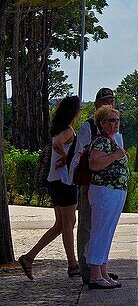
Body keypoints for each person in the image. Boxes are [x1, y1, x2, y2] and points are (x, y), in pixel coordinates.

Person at [18, 94, 82, 281]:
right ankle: (72, 265)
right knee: (68, 223)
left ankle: (29, 257)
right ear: (75, 112)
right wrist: (66, 157)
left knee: (61, 224)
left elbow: (55, 142)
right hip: (64, 181)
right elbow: (57, 144)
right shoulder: (68, 130)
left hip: (54, 180)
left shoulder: (59, 128)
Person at [71, 87, 121, 286]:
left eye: (112, 101)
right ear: (97, 105)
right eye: (105, 101)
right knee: (89, 227)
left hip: (111, 187)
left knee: (103, 229)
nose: (109, 104)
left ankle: (100, 267)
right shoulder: (89, 127)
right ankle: (88, 270)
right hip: (94, 184)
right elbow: (79, 155)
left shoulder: (114, 129)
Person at [86, 104, 130, 288]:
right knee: (100, 231)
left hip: (114, 191)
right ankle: (95, 275)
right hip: (105, 191)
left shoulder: (111, 141)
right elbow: (94, 164)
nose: (116, 123)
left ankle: (103, 270)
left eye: (118, 120)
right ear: (102, 123)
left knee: (107, 232)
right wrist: (116, 156)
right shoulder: (100, 142)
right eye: (112, 120)